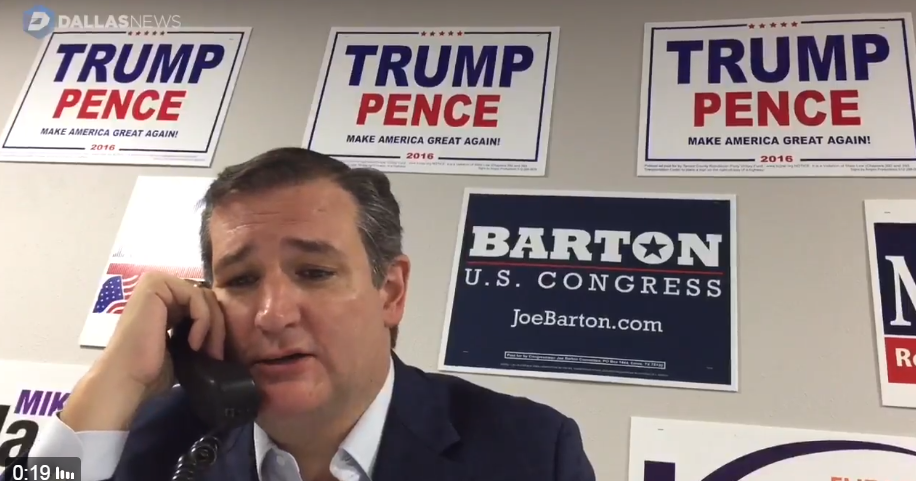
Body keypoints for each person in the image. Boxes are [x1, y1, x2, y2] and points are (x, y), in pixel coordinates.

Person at [1, 148, 595, 481]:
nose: (271, 313)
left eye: (313, 273)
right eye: (240, 280)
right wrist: (111, 382)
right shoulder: (148, 442)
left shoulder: (532, 451)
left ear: (389, 292)